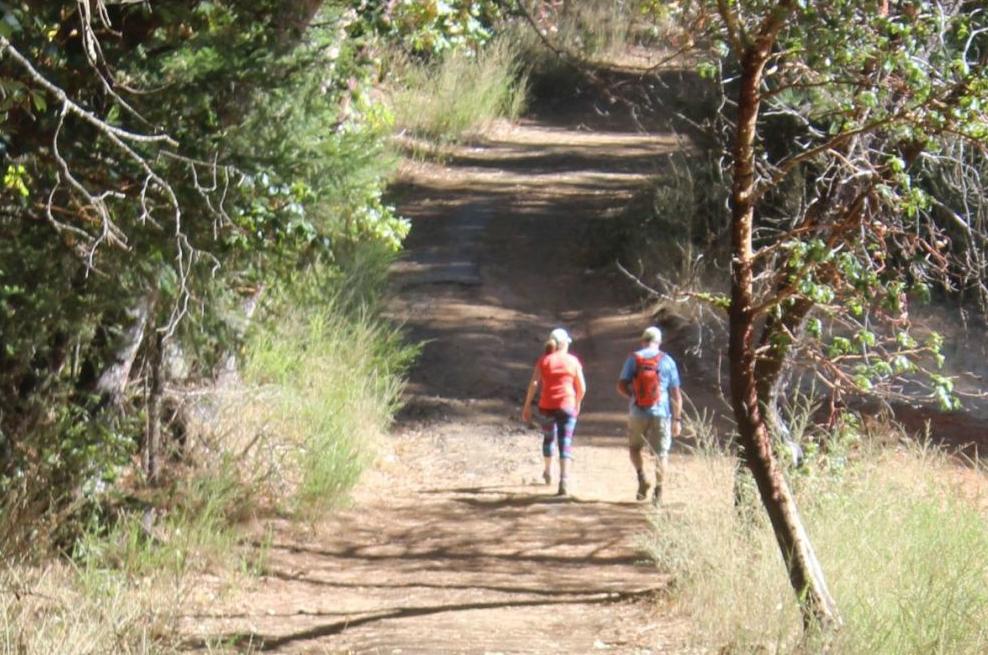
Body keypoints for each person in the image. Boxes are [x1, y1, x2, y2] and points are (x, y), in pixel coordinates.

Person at [616, 326, 682, 505]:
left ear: (643, 340)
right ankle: (659, 492)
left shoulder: (634, 358)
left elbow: (621, 386)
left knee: (634, 448)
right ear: (659, 342)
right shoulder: (667, 361)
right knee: (662, 453)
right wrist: (677, 419)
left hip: (637, 411)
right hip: (662, 413)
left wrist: (634, 396)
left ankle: (642, 478)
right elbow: (676, 394)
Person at [521, 328, 587, 496]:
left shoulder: (543, 360)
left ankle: (548, 471)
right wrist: (577, 402)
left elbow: (534, 384)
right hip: (567, 406)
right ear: (564, 344)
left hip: (546, 406)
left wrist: (527, 405)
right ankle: (564, 480)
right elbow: (582, 387)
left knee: (548, 438)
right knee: (565, 442)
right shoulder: (573, 361)